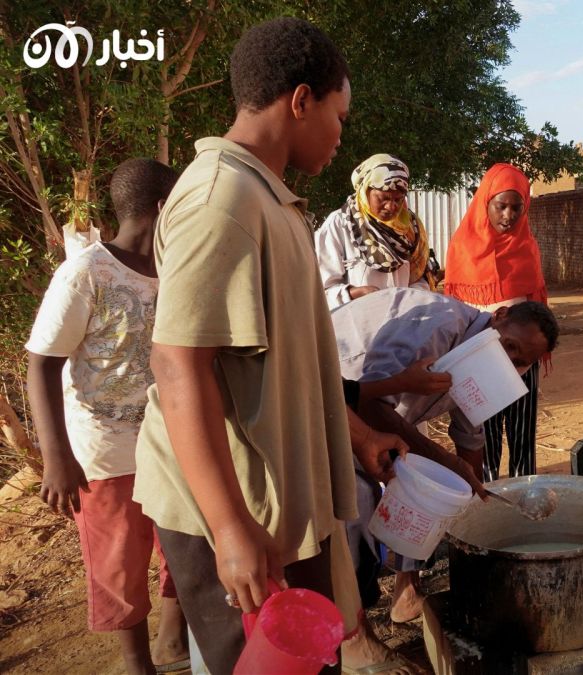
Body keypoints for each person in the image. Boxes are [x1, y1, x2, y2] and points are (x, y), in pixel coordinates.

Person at [130, 18, 382, 675]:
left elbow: (293, 366)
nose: (339, 133)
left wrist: (357, 437)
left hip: (278, 501)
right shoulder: (220, 201)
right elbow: (177, 364)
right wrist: (232, 528)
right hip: (241, 509)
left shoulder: (274, 202)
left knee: (310, 660)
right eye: (339, 115)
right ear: (301, 100)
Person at [26, 158, 188, 675]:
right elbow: (42, 363)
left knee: (180, 544)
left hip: (170, 442)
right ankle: (137, 663)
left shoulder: (177, 271)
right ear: (164, 208)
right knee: (118, 564)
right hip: (104, 453)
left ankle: (172, 641)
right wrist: (56, 457)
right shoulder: (85, 273)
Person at [332, 287, 559, 623]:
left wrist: (471, 500)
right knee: (358, 498)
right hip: (335, 401)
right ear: (499, 317)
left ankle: (406, 589)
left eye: (520, 362)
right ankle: (349, 625)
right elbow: (366, 402)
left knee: (435, 486)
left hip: (389, 415)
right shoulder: (438, 329)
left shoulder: (491, 365)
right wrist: (446, 461)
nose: (508, 361)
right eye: (509, 345)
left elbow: (470, 435)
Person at [443, 163, 548, 481]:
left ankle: (524, 492)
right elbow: (455, 310)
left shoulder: (527, 248)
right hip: (478, 362)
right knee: (483, 436)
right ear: (484, 202)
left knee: (522, 435)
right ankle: (489, 499)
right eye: (501, 206)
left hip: (521, 363)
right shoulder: (461, 248)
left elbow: (537, 308)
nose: (509, 215)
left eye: (517, 208)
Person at [315, 153, 436, 309]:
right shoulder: (340, 224)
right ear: (365, 191)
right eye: (383, 198)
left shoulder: (410, 228)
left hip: (404, 325)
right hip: (356, 324)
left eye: (398, 199)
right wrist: (355, 293)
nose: (391, 206)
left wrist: (409, 298)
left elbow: (419, 279)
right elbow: (321, 291)